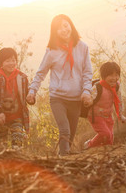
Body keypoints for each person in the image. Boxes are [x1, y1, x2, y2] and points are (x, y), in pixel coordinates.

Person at [26, 14, 93, 156]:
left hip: (76, 99)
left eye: (65, 25)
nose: (63, 30)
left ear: (71, 25)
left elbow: (87, 72)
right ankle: (63, 163)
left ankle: (61, 163)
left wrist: (87, 91)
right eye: (58, 28)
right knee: (65, 131)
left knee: (69, 138)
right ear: (54, 32)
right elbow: (41, 73)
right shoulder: (52, 51)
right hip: (58, 98)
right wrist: (32, 91)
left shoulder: (83, 47)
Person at [0, 47, 34, 148]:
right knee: (0, 145)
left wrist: (31, 98)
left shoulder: (22, 77)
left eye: (13, 60)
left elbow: (27, 93)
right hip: (0, 118)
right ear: (1, 64)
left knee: (17, 143)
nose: (11, 63)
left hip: (17, 117)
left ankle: (16, 162)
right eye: (8, 61)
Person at [83, 62, 126, 149]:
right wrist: (87, 101)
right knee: (105, 133)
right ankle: (89, 145)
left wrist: (121, 115)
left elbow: (119, 101)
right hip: (95, 116)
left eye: (116, 75)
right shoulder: (98, 87)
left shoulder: (117, 86)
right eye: (111, 75)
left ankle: (105, 153)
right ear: (104, 76)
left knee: (110, 137)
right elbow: (89, 98)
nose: (114, 78)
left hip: (108, 116)